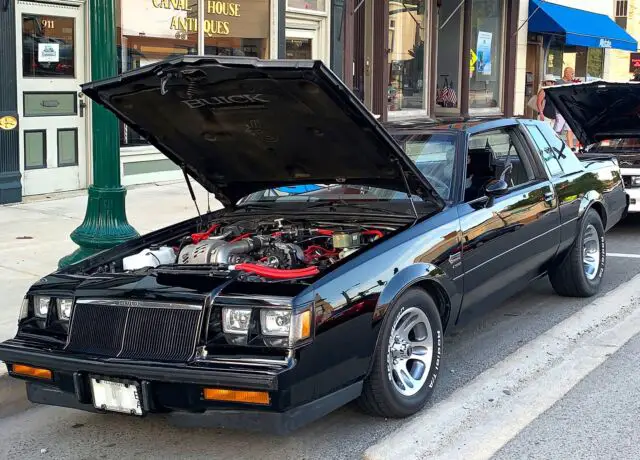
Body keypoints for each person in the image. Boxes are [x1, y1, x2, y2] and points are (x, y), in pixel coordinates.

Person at [552, 67, 576, 150]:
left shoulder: (572, 83)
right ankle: (554, 144)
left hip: (569, 110)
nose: (573, 75)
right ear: (566, 73)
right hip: (560, 110)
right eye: (572, 73)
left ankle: (571, 146)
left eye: (573, 73)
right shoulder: (558, 83)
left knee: (570, 128)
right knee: (557, 129)